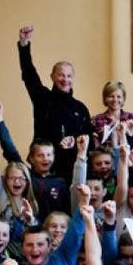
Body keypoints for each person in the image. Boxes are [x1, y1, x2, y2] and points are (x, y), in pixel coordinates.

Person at [16, 25, 91, 182]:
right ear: (52, 77)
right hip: (45, 168)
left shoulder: (80, 108)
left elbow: (88, 135)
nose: (65, 79)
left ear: (73, 78)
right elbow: (29, 75)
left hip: (72, 169)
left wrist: (74, 139)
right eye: (61, 75)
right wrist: (24, 46)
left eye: (69, 76)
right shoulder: (43, 98)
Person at [91, 81, 133, 150]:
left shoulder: (132, 118)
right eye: (111, 96)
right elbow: (94, 149)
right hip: (107, 159)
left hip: (129, 159)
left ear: (123, 99)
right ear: (105, 98)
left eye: (119, 97)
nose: (115, 100)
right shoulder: (96, 120)